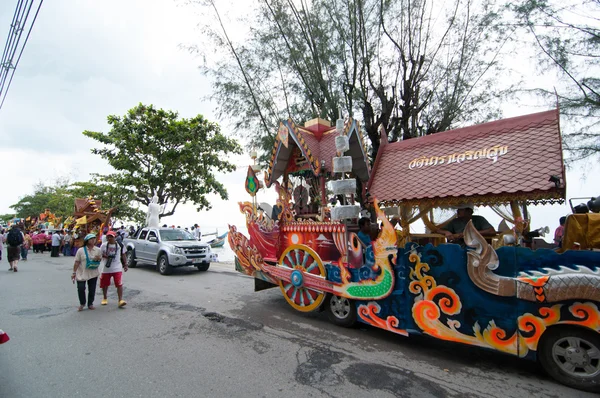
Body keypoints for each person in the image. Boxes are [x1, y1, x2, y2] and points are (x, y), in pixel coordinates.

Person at [72, 233, 102, 311]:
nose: (93, 240)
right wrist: (74, 272)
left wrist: (97, 259)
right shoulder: (81, 250)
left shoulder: (98, 250)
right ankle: (82, 303)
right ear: (87, 240)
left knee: (92, 289)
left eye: (94, 238)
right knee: (81, 288)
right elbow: (77, 262)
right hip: (82, 272)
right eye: (91, 239)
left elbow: (99, 260)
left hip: (93, 272)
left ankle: (90, 303)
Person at [99, 231, 128, 308]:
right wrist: (105, 256)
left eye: (111, 236)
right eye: (108, 237)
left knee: (119, 283)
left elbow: (123, 255)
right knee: (104, 284)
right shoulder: (103, 245)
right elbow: (99, 254)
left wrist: (125, 264)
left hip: (117, 267)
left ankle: (120, 300)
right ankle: (105, 298)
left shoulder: (120, 245)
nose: (109, 238)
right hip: (106, 268)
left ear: (114, 237)